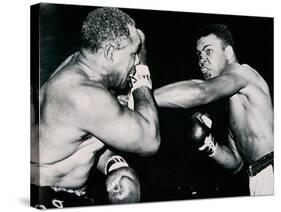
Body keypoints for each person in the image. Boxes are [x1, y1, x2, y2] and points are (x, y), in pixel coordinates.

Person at [31, 7, 160, 209]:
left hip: (58, 190)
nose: (135, 61)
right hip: (49, 195)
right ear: (110, 53)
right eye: (133, 54)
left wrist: (115, 164)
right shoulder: (83, 95)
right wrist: (142, 76)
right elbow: (150, 140)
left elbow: (81, 142)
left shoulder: (83, 69)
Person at [154, 24, 273, 196]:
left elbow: (201, 91)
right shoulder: (232, 100)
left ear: (228, 52)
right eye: (199, 54)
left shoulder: (242, 73)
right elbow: (237, 162)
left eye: (208, 51)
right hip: (257, 176)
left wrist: (145, 97)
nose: (202, 60)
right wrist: (208, 144)